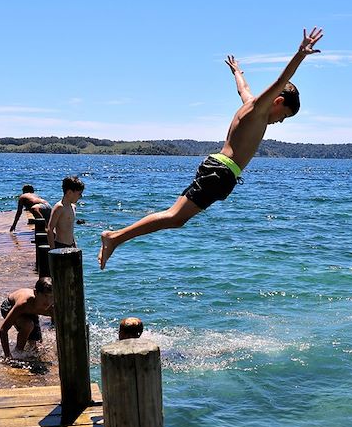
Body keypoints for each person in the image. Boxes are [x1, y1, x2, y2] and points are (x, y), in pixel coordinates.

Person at [98, 27, 324, 269]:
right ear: (277, 101)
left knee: (176, 218)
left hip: (219, 171)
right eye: (284, 116)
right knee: (174, 218)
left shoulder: (250, 104)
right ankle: (115, 237)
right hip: (219, 172)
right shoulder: (259, 109)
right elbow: (281, 81)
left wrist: (237, 72)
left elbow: (243, 88)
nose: (280, 122)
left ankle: (116, 237)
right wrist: (300, 54)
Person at [0, 277, 54, 360]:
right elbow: (3, 330)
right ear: (36, 293)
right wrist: (7, 356)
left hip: (31, 312)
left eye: (51, 297)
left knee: (35, 349)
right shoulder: (24, 303)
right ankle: (18, 351)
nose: (48, 301)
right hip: (10, 306)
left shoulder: (52, 307)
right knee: (28, 325)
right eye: (45, 296)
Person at [47, 176, 85, 249]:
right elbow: (50, 229)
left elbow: (70, 229)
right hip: (60, 245)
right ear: (69, 192)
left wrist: (75, 246)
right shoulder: (59, 207)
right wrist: (52, 250)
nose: (80, 196)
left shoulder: (73, 207)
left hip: (71, 246)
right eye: (79, 194)